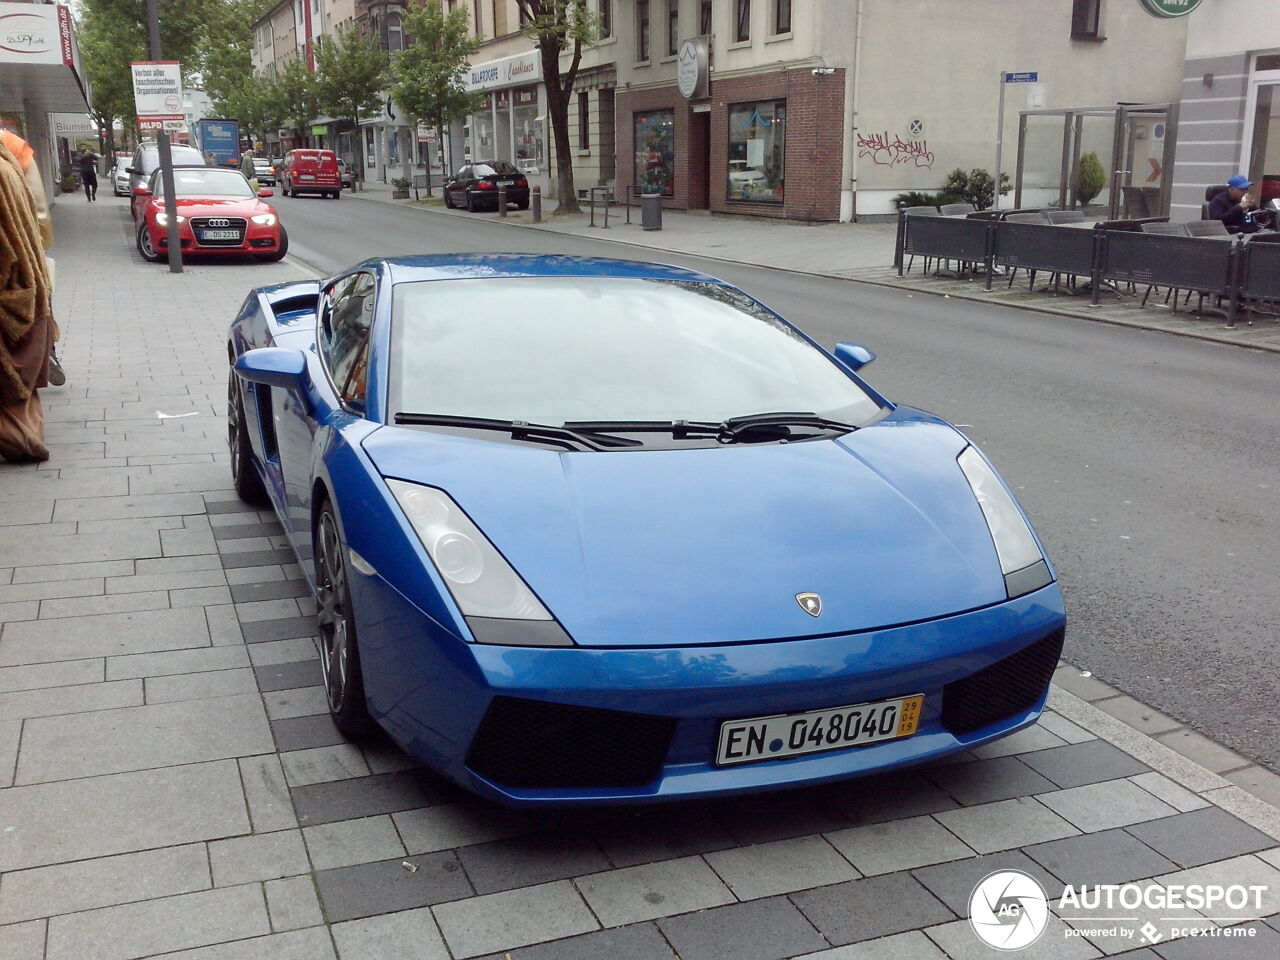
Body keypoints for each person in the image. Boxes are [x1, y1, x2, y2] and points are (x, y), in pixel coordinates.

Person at [0, 136, 56, 462]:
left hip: (16, 285)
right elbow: (39, 210)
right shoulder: (10, 152)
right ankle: (25, 437)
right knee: (19, 391)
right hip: (28, 283)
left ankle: (22, 439)